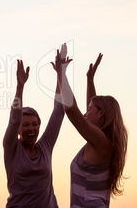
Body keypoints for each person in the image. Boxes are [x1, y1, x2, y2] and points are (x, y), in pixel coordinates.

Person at [53, 46, 128, 207]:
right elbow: (93, 107)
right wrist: (90, 80)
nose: (85, 114)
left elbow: (71, 110)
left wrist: (61, 73)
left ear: (101, 114)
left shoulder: (101, 142)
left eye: (89, 110)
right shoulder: (101, 141)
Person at [3, 51, 68, 207]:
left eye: (34, 124)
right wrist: (20, 87)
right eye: (25, 125)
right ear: (18, 130)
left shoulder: (45, 146)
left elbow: (59, 109)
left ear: (39, 126)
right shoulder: (12, 148)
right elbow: (14, 120)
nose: (31, 128)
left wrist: (61, 74)